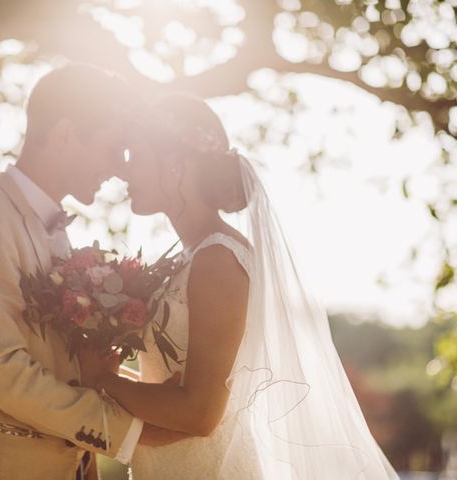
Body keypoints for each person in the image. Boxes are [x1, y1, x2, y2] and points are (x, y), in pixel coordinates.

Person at [78, 93, 401, 479]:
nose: (124, 172)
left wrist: (101, 381)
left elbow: (199, 412)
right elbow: (164, 390)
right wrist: (103, 377)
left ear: (176, 164)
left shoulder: (218, 260)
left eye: (137, 157)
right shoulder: (190, 257)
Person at [0, 63, 152, 480]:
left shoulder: (52, 229)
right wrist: (125, 430)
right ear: (66, 134)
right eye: (112, 148)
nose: (119, 167)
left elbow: (56, 364)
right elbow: (1, 372)